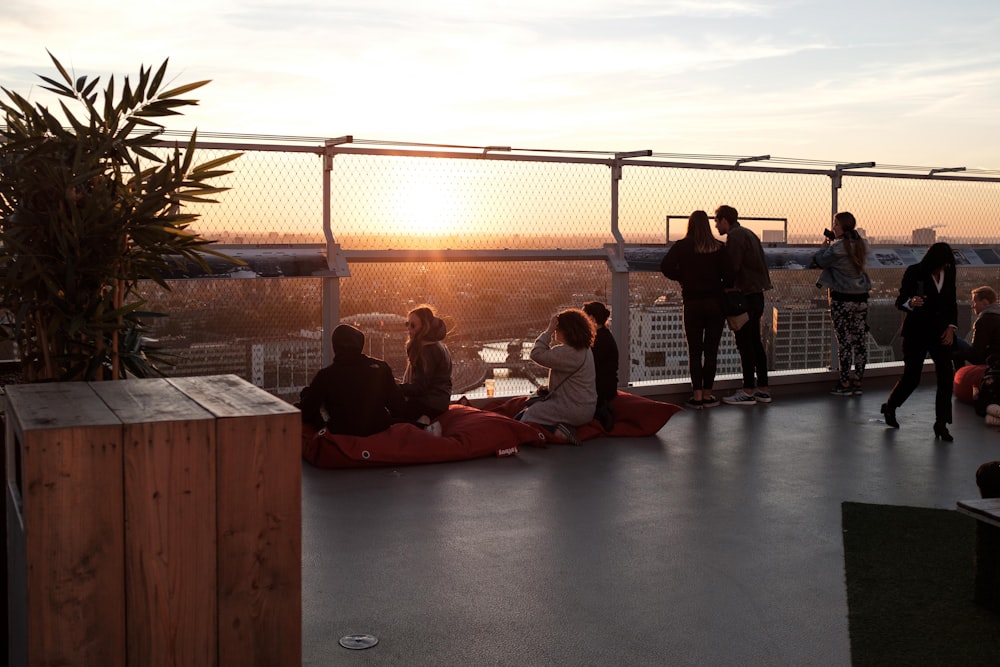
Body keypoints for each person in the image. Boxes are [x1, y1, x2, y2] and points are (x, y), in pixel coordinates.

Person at [880, 242, 959, 441]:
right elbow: (900, 301)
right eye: (943, 264)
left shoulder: (948, 274)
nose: (946, 267)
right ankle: (890, 407)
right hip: (916, 333)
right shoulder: (914, 272)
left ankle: (941, 423)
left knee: (946, 378)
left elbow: (951, 302)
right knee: (912, 378)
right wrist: (911, 303)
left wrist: (951, 327)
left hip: (941, 334)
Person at [660, 210, 734, 409]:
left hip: (692, 302)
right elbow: (729, 275)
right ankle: (709, 395)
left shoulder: (682, 246)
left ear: (690, 225)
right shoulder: (718, 247)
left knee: (694, 351)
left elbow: (665, 266)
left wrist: (683, 277)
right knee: (711, 351)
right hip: (715, 304)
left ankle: (697, 396)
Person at [713, 205, 774, 405]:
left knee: (745, 344)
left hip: (744, 297)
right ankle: (762, 389)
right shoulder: (749, 233)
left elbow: (732, 267)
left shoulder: (735, 237)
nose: (715, 225)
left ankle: (747, 390)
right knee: (755, 343)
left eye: (717, 220)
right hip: (756, 295)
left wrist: (724, 286)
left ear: (724, 220)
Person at [299, 324, 407, 436]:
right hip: (378, 431)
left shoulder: (327, 375)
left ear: (335, 346)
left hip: (342, 434)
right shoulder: (380, 368)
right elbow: (398, 406)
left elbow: (306, 411)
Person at [812, 211, 872, 396]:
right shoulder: (862, 244)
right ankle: (858, 381)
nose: (833, 228)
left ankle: (844, 383)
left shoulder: (838, 247)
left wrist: (824, 246)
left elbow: (819, 261)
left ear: (842, 227)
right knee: (859, 341)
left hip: (842, 298)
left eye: (835, 225)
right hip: (861, 298)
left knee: (844, 342)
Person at [517, 308, 597, 445]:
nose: (555, 332)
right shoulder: (585, 349)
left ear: (566, 331)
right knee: (530, 411)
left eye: (557, 329)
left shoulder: (568, 352)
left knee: (528, 415)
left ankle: (559, 432)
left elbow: (536, 354)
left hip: (573, 408)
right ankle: (560, 428)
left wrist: (548, 331)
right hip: (586, 407)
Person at [398, 305, 453, 428]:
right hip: (440, 402)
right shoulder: (439, 346)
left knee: (391, 416)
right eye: (407, 324)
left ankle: (424, 426)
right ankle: (424, 421)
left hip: (427, 404)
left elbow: (419, 387)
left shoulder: (426, 351)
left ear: (424, 328)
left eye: (413, 326)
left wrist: (395, 387)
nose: (409, 329)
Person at [583, 301, 619, 430]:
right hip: (606, 387)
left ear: (591, 319)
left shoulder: (600, 340)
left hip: (600, 389)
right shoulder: (603, 336)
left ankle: (600, 411)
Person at [954, 286, 1000, 367]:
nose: (972, 306)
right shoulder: (997, 316)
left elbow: (976, 352)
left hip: (989, 360)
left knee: (956, 342)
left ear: (985, 302)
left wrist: (953, 355)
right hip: (994, 357)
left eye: (974, 302)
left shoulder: (984, 320)